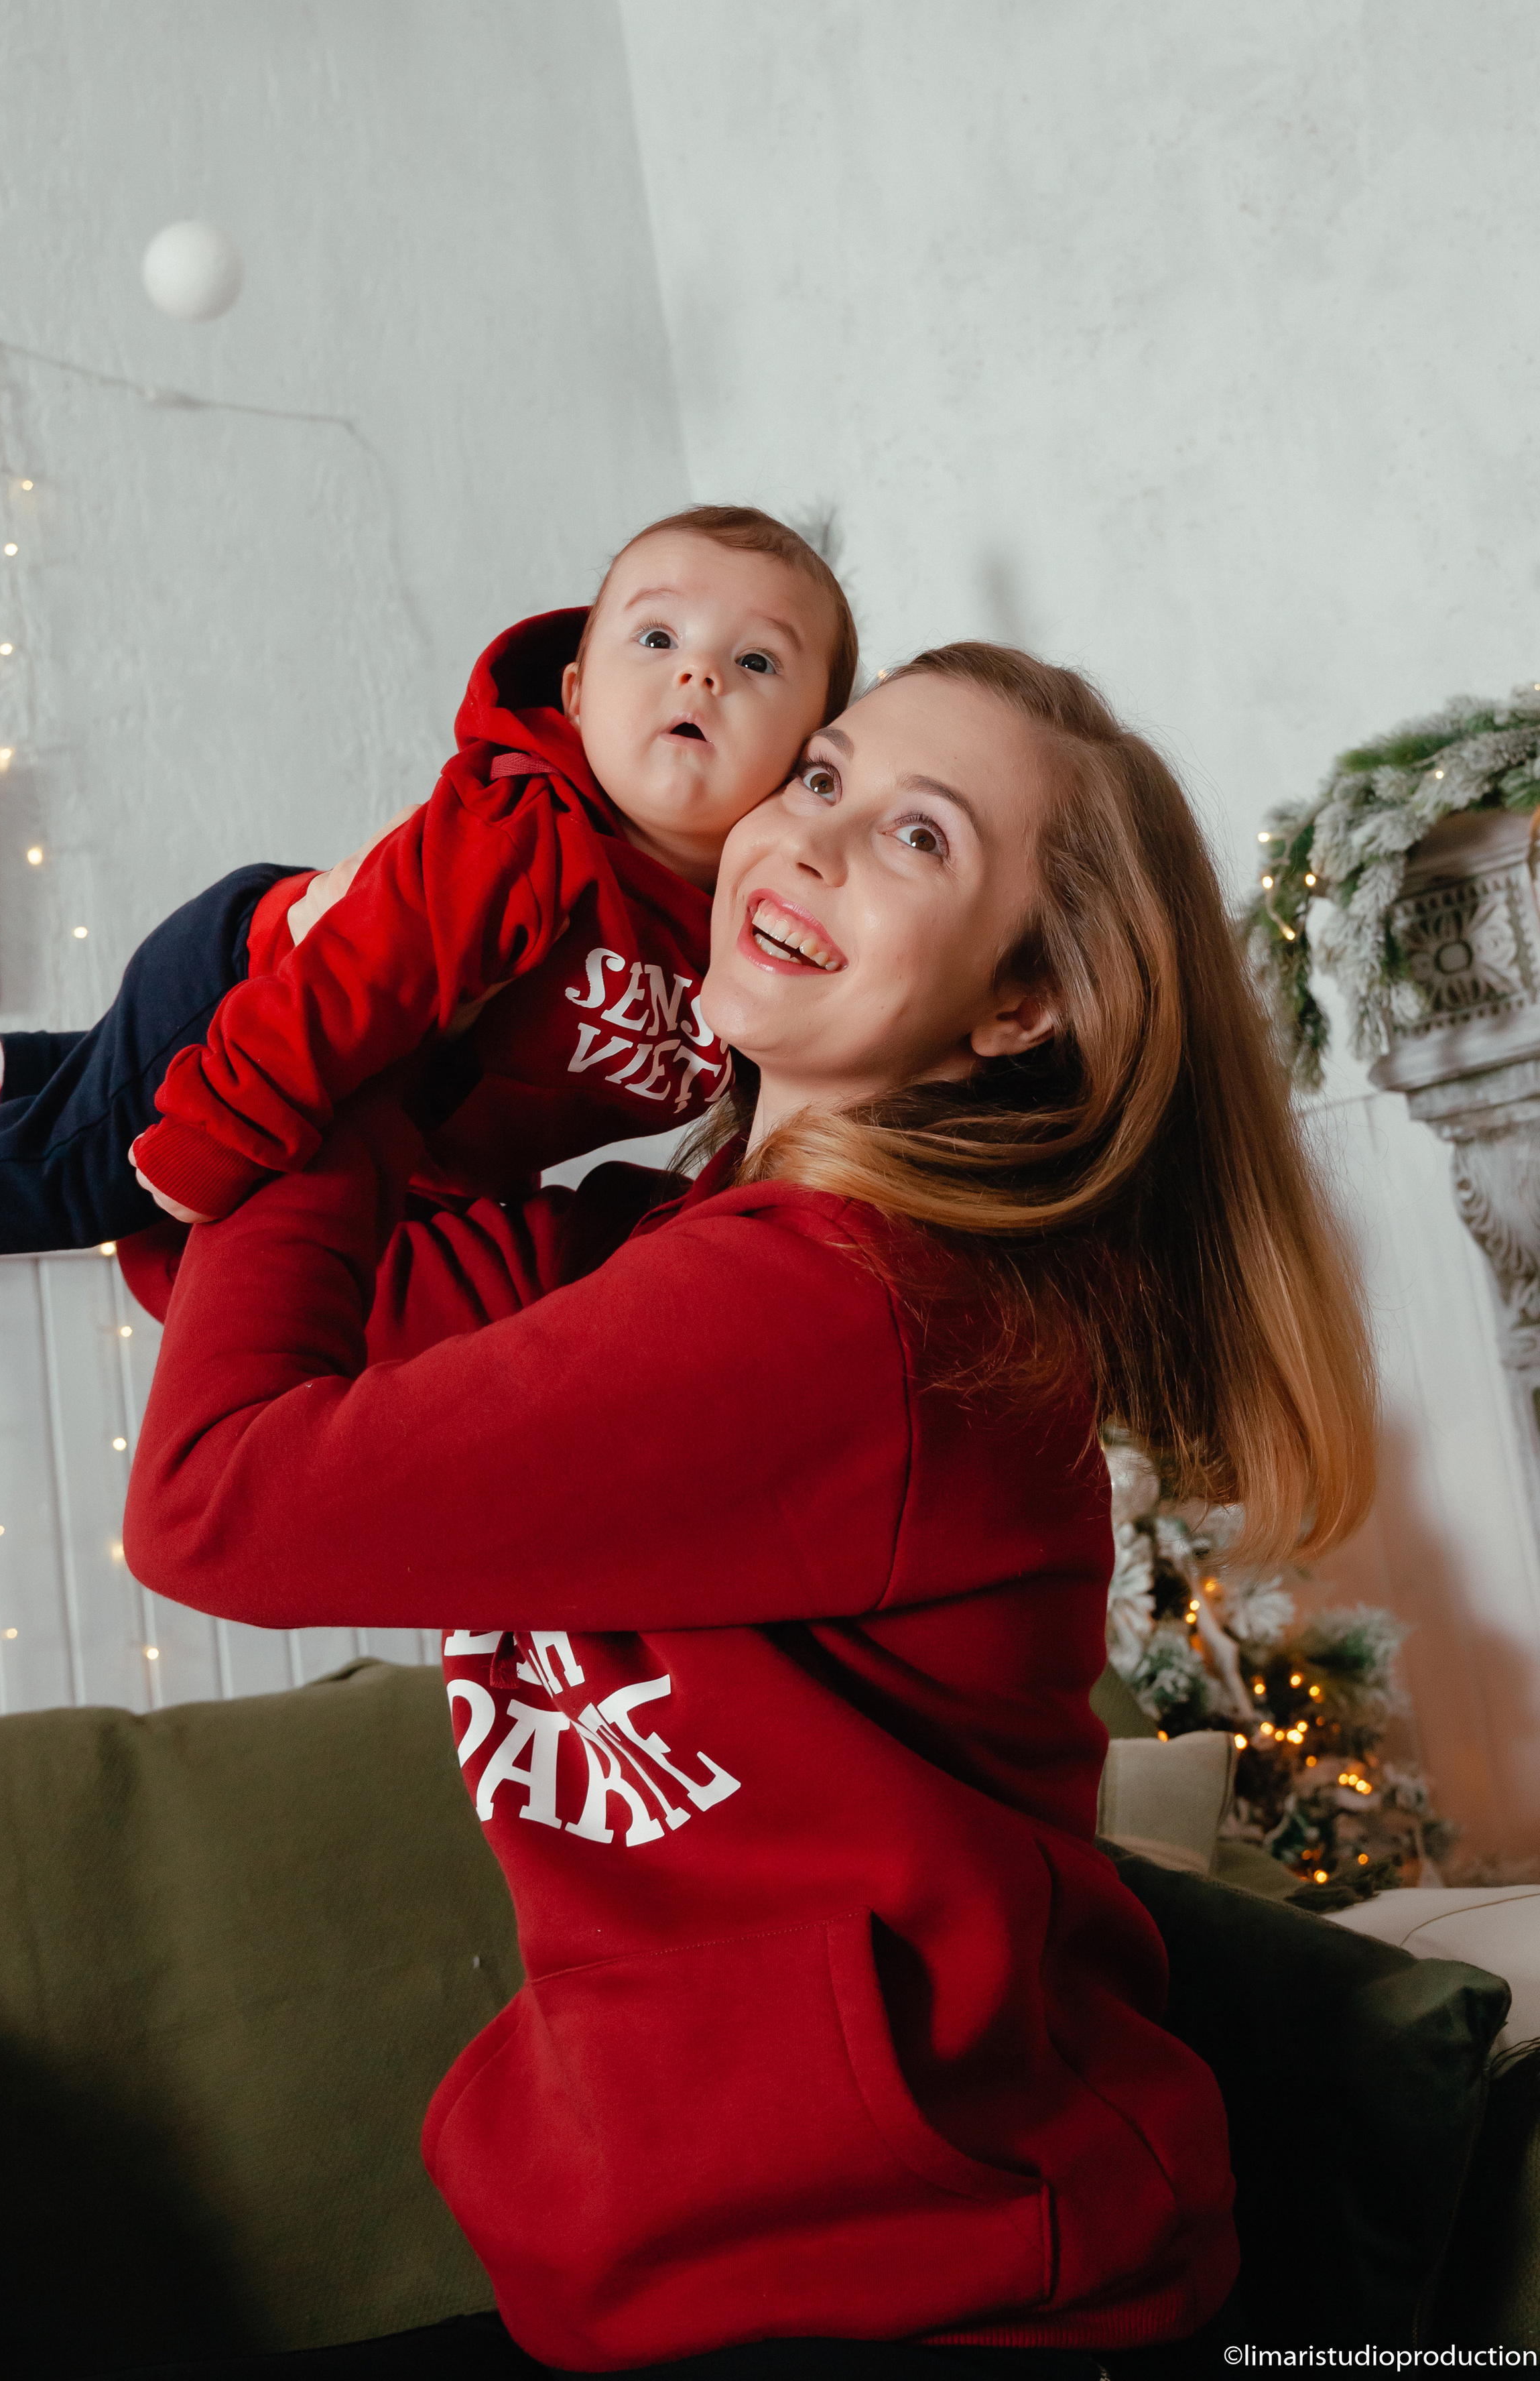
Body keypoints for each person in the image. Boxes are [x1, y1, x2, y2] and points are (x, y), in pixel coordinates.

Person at [118, 640, 1378, 2378]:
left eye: (921, 839)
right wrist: (365, 1038)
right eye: (823, 780)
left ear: (1024, 1003)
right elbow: (233, 1281)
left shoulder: (848, 1310)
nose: (819, 841)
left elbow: (216, 1504)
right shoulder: (677, 1243)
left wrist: (312, 1048)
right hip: (680, 2256)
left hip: (952, 2294)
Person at [0, 505, 854, 1365]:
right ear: (577, 697)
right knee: (87, 1178)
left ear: (818, 754)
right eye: (658, 638)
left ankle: (13, 1077)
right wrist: (220, 1127)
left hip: (385, 1093)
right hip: (261, 987)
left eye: (756, 659)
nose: (700, 676)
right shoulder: (523, 833)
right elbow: (355, 989)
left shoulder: (753, 937)